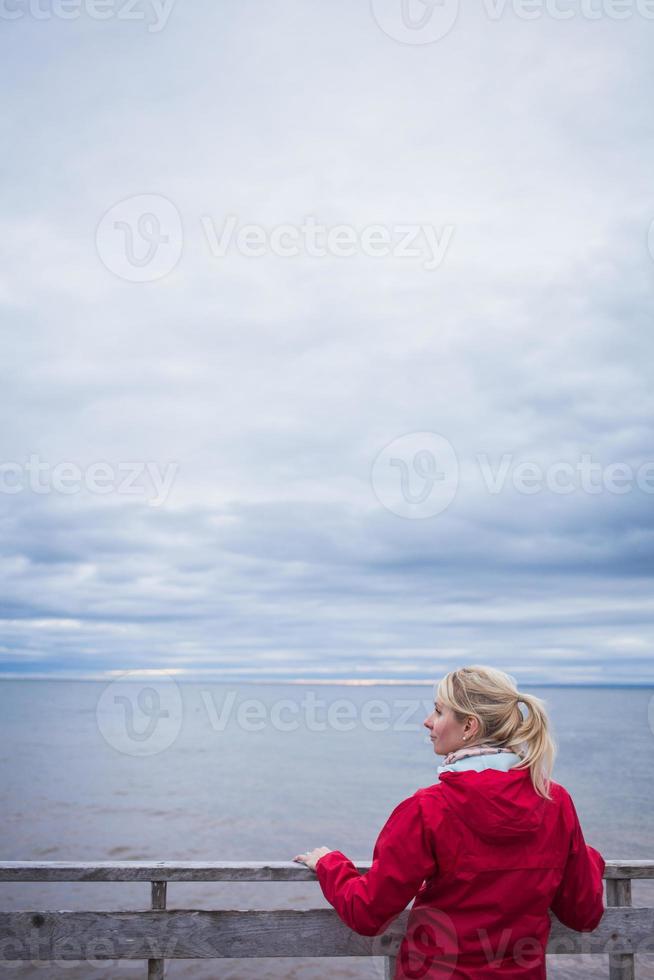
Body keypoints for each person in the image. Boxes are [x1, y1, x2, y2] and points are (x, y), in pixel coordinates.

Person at [292, 664, 606, 978]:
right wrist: (585, 856)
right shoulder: (554, 801)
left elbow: (367, 913)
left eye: (439, 712)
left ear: (469, 726)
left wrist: (329, 864)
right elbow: (583, 914)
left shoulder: (428, 808)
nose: (427, 722)